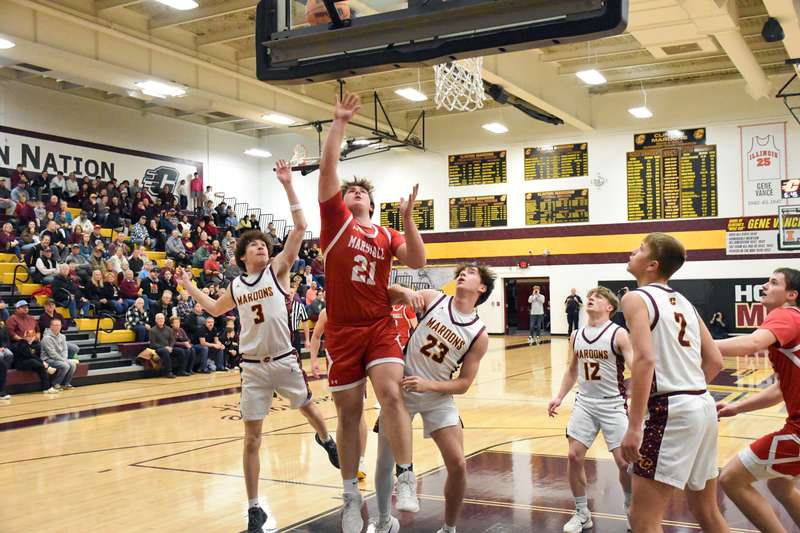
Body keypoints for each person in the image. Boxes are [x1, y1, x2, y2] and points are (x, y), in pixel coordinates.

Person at [178, 160, 341, 533]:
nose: (260, 249)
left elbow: (300, 228)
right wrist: (188, 286)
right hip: (252, 367)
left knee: (310, 410)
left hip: (284, 360)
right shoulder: (236, 286)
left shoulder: (277, 271)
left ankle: (326, 440)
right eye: (253, 246)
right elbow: (214, 309)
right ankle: (254, 508)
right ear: (242, 258)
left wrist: (287, 184)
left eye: (263, 245)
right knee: (252, 438)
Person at [317, 93, 427, 532]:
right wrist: (338, 124)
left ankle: (406, 475)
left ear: (372, 204)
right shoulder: (336, 224)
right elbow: (328, 172)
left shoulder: (386, 232)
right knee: (347, 415)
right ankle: (349, 495)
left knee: (392, 395)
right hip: (343, 330)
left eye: (362, 191)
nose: (355, 192)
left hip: (379, 324)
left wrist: (409, 218)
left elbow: (417, 262)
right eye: (351, 190)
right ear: (343, 202)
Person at [619, 233, 728, 533]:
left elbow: (644, 360)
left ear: (652, 265)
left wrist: (634, 425)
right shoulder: (685, 302)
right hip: (702, 405)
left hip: (672, 410)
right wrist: (688, 391)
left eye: (639, 249)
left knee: (642, 519)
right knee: (706, 510)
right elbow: (715, 360)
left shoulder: (634, 297)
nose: (632, 251)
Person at [374, 264, 493, 533]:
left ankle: (449, 528)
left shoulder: (479, 334)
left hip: (436, 396)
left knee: (458, 464)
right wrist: (403, 290)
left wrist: (428, 385)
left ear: (482, 288)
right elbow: (387, 295)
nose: (463, 274)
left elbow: (463, 384)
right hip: (401, 390)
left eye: (472, 273)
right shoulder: (434, 298)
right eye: (462, 271)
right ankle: (383, 521)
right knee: (384, 460)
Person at [715, 268, 800, 533]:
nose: (765, 285)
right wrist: (737, 407)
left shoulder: (785, 315)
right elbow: (778, 390)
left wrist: (696, 344)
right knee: (780, 483)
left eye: (773, 282)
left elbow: (752, 343)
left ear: (791, 295)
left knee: (731, 478)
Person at [547, 287, 633, 532]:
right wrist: (559, 396)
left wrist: (635, 393)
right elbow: (572, 369)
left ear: (610, 308)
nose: (591, 298)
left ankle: (631, 507)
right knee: (574, 456)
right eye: (590, 296)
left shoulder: (618, 334)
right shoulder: (576, 335)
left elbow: (637, 368)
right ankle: (582, 512)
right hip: (584, 402)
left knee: (624, 463)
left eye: (599, 297)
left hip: (612, 403)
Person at [308, 306, 369, 482]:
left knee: (360, 414)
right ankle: (349, 461)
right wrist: (313, 361)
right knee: (343, 416)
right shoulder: (327, 313)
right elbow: (316, 336)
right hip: (335, 366)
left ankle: (361, 461)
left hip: (356, 364)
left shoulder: (356, 309)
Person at [12, 328, 56, 394]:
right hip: (20, 364)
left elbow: (35, 356)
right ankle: (47, 369)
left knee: (41, 368)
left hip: (31, 363)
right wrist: (43, 362)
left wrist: (42, 363)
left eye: (32, 336)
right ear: (25, 337)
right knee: (34, 361)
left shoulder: (35, 344)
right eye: (28, 336)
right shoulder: (22, 344)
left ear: (34, 336)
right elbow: (29, 355)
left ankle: (47, 388)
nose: (30, 338)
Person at [40, 318, 78, 390]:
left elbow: (65, 350)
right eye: (55, 325)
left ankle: (66, 384)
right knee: (65, 366)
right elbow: (52, 353)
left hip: (60, 358)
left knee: (73, 365)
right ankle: (55, 384)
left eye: (59, 325)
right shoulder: (46, 338)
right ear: (51, 326)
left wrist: (64, 358)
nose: (57, 327)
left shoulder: (62, 336)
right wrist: (64, 360)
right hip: (48, 359)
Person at [148, 312, 187, 378]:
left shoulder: (168, 329)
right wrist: (165, 347)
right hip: (158, 349)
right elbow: (152, 344)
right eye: (159, 319)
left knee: (181, 351)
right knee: (165, 351)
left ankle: (181, 371)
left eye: (162, 318)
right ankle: (168, 372)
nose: (161, 320)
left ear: (164, 319)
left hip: (169, 347)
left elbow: (173, 340)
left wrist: (171, 347)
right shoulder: (152, 330)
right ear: (156, 320)